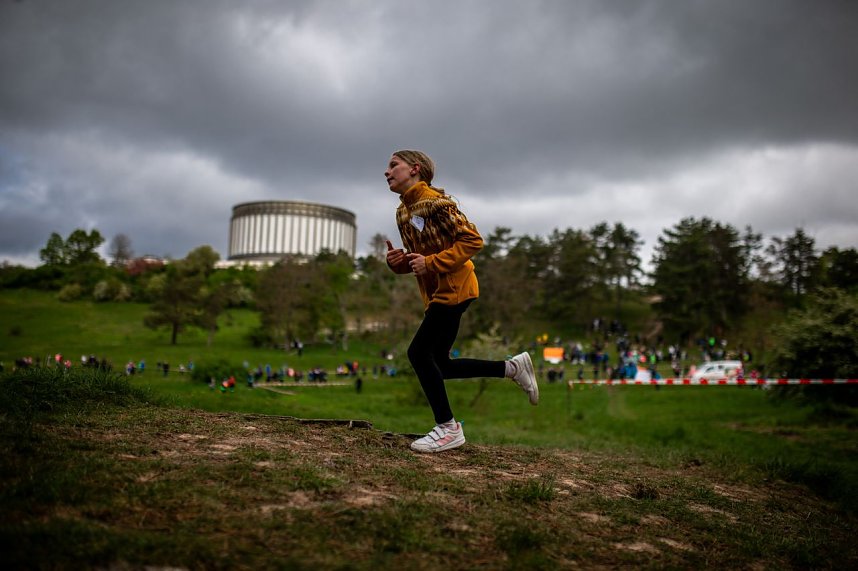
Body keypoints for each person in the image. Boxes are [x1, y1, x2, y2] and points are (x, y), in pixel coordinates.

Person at [384, 150, 538, 454]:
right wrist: (398, 262)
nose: (386, 172)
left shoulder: (435, 203)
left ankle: (448, 428)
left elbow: (472, 240)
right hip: (435, 294)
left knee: (417, 352)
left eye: (393, 166)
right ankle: (511, 368)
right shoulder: (404, 211)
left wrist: (431, 263)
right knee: (440, 364)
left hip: (455, 287)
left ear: (414, 169)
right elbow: (421, 258)